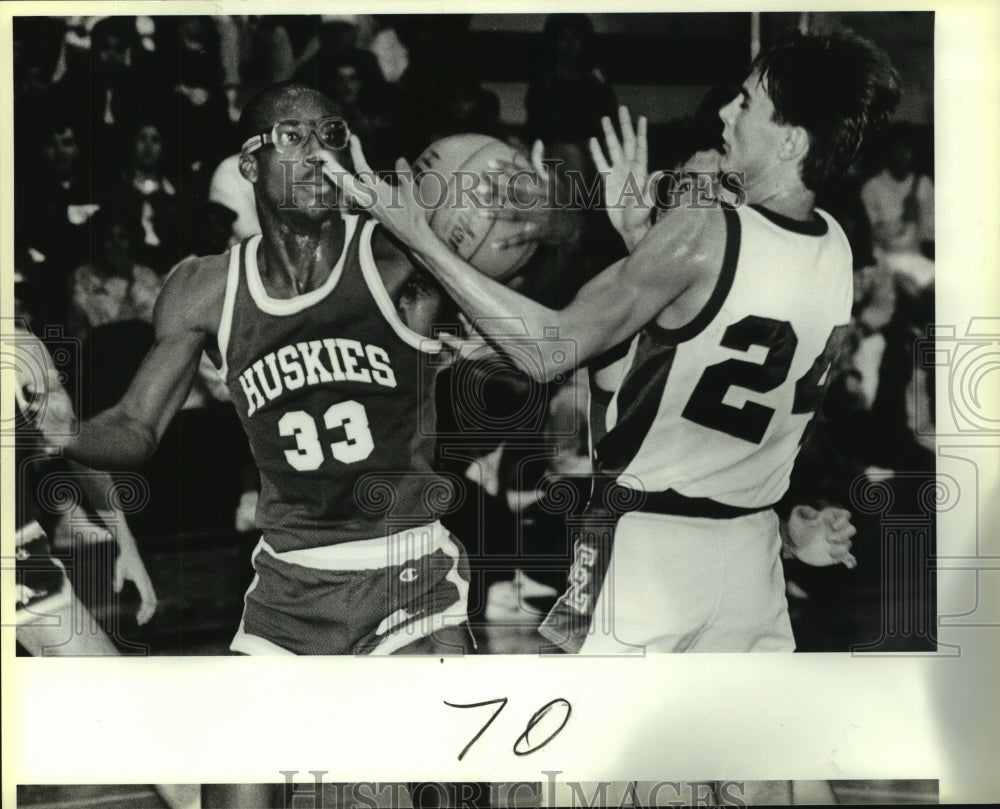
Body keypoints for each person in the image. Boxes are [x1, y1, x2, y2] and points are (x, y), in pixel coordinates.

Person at [329, 30, 899, 654]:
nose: (724, 113)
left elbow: (549, 351)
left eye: (746, 102)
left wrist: (421, 237)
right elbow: (708, 360)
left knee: (592, 742)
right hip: (752, 553)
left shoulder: (703, 234)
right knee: (740, 746)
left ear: (791, 140)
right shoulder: (835, 248)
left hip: (642, 548)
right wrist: (640, 242)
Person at [27, 81, 472, 660]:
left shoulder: (398, 262)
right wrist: (68, 433)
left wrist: (537, 227)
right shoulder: (202, 289)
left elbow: (541, 328)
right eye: (293, 136)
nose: (318, 153)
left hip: (406, 572)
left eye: (331, 135)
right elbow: (138, 427)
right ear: (249, 164)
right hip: (288, 586)